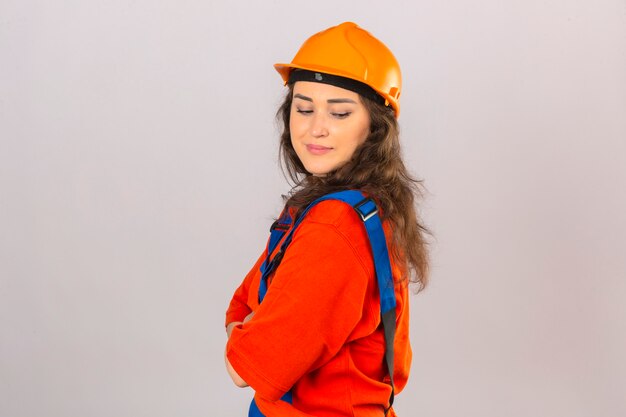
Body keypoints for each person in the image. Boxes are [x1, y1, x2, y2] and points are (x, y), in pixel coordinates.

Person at [224, 21, 431, 417]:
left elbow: (245, 366)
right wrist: (248, 327)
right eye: (303, 108)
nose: (315, 127)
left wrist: (247, 333)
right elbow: (239, 307)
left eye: (339, 112)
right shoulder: (357, 208)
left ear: (375, 126)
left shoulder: (334, 227)